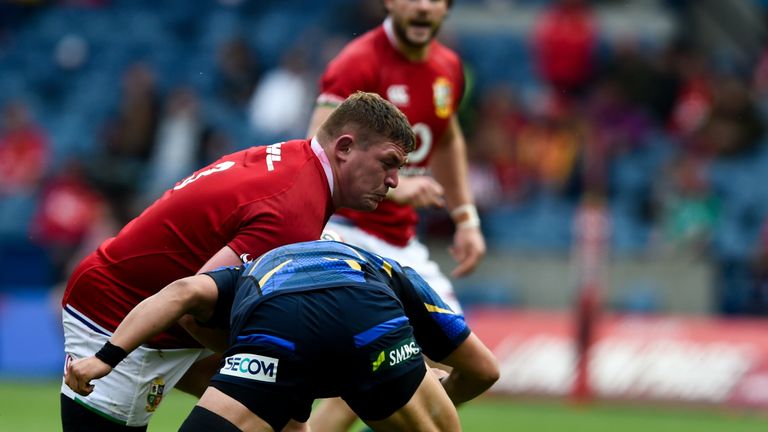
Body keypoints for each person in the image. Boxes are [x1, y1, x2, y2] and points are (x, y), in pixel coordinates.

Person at [59, 91, 415, 431]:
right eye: (388, 163)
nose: (395, 181)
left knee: (287, 407)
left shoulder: (297, 160)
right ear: (345, 148)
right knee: (282, 377)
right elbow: (191, 307)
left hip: (159, 312)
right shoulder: (291, 210)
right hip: (115, 314)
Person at [65, 240, 500, 431]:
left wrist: (104, 358)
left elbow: (182, 293)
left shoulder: (252, 270)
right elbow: (484, 371)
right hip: (370, 318)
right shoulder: (389, 269)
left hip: (276, 326)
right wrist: (433, 391)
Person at [306, 1, 486, 429]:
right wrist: (399, 187)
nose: (423, 7)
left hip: (403, 244)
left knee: (470, 367)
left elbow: (446, 140)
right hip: (348, 231)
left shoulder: (448, 67)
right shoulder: (358, 62)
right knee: (382, 362)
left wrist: (466, 218)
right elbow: (315, 149)